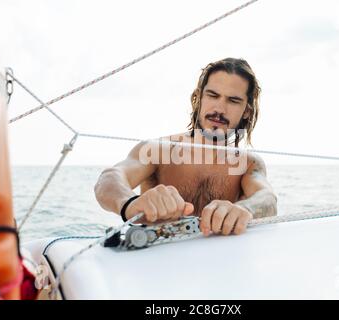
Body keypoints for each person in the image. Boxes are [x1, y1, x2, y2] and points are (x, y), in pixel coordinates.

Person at [94, 58, 277, 236]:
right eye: (213, 95)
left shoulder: (248, 163)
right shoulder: (158, 150)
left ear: (246, 111)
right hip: (156, 257)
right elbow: (110, 178)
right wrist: (131, 204)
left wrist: (244, 209)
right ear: (198, 98)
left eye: (233, 101)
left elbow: (267, 198)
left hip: (219, 260)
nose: (220, 109)